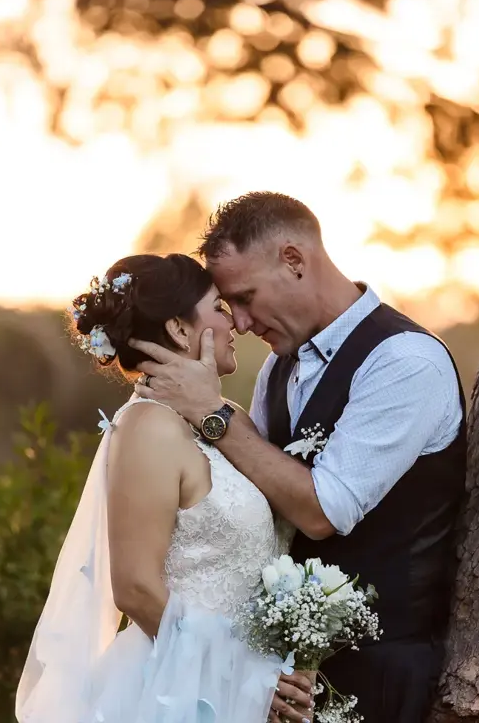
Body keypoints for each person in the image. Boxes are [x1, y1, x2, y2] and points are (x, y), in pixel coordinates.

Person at [132, 192, 467, 723]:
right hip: (278, 681)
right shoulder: (278, 369)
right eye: (226, 306)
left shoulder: (405, 362)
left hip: (380, 675)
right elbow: (254, 493)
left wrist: (213, 414)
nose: (239, 323)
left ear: (294, 260)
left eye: (244, 297)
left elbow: (322, 512)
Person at [16, 253, 313, 723]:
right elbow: (134, 588)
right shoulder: (149, 425)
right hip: (179, 693)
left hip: (241, 687)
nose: (236, 321)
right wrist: (240, 675)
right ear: (178, 329)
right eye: (219, 307)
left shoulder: (222, 417)